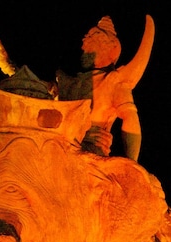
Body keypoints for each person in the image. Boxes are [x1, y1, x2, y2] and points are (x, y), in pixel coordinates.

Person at [53, 15, 154, 161]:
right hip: (60, 146)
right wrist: (10, 67)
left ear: (107, 46)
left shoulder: (113, 82)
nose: (83, 43)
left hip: (91, 153)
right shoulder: (68, 83)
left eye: (90, 38)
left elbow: (130, 117)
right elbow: (37, 92)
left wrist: (131, 163)